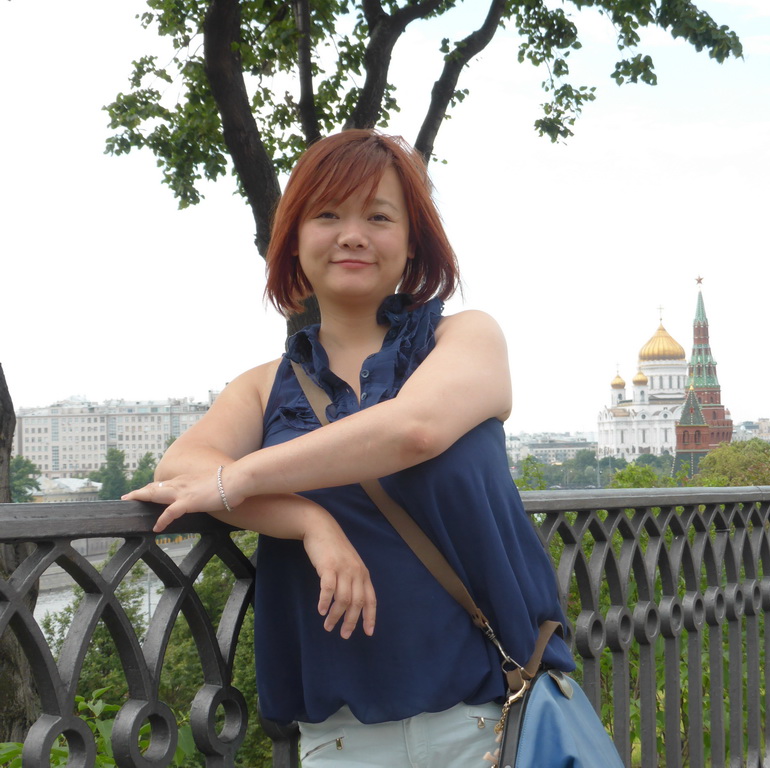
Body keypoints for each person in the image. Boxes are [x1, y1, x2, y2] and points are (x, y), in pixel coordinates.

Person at [124, 130, 575, 766]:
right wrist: (310, 520)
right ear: (295, 239)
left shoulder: (466, 339)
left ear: (412, 240)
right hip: (342, 740)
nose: (353, 234)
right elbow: (183, 470)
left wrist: (243, 478)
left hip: (493, 720)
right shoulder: (260, 389)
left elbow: (411, 430)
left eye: (379, 216)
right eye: (328, 214)